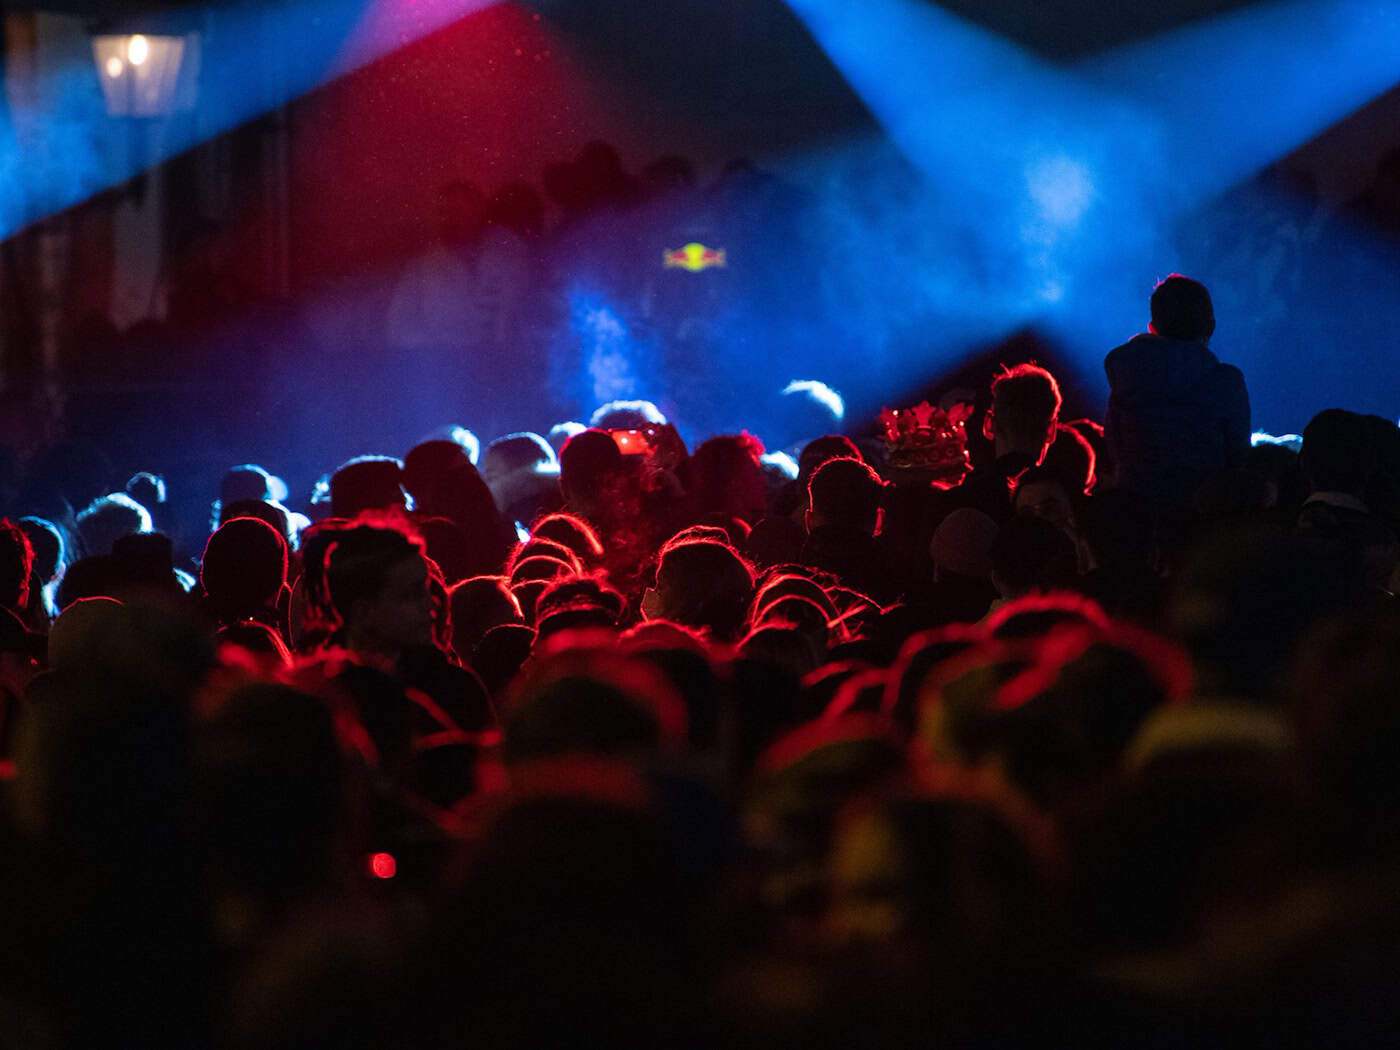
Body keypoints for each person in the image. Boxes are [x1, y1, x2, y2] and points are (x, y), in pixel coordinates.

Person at [1104, 274, 1251, 521]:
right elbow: (1238, 459)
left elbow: (1114, 446)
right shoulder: (1226, 382)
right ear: (1211, 326)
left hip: (1137, 520)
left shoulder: (1126, 377)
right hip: (1205, 522)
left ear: (1152, 327)